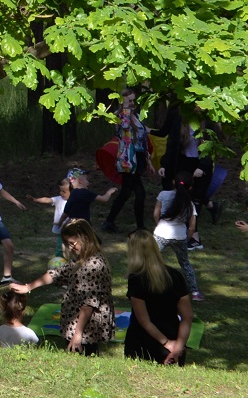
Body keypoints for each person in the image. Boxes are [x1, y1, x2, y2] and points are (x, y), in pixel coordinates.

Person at [12, 219, 114, 355]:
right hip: (77, 322)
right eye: (67, 243)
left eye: (72, 243)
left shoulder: (93, 265)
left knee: (85, 357)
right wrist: (28, 287)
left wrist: (78, 335)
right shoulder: (81, 259)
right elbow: (56, 274)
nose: (70, 247)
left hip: (86, 327)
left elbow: (88, 305)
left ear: (85, 238)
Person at [123, 226, 194, 364]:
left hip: (143, 344)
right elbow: (187, 317)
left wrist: (167, 343)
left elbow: (144, 321)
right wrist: (178, 347)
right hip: (173, 340)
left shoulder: (137, 279)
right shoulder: (175, 275)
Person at [153, 173, 202, 301]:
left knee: (151, 260)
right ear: (190, 187)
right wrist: (186, 239)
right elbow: (192, 227)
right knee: (185, 263)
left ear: (173, 182)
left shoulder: (163, 194)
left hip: (161, 233)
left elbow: (156, 214)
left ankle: (148, 286)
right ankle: (195, 292)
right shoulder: (190, 204)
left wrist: (159, 225)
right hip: (180, 236)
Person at [105, 92, 150, 232]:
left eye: (133, 100)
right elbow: (124, 126)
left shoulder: (137, 116)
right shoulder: (120, 116)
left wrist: (148, 160)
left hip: (139, 158)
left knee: (126, 192)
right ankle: (140, 227)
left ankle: (109, 222)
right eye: (129, 101)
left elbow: (144, 136)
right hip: (128, 160)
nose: (132, 103)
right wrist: (125, 109)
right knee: (140, 192)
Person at [36, 167, 97, 258]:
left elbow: (70, 214)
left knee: (81, 244)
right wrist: (59, 223)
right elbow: (64, 213)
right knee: (62, 247)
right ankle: (62, 258)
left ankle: (82, 257)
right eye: (60, 191)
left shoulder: (77, 198)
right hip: (66, 230)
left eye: (64, 191)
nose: (61, 193)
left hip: (76, 229)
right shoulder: (63, 199)